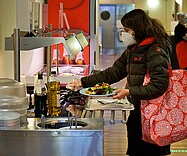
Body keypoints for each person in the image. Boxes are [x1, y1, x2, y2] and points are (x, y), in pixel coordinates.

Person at [68, 9, 172, 156]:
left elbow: (159, 86)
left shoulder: (155, 50)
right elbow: (114, 72)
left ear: (137, 29)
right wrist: (82, 82)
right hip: (138, 111)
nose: (124, 34)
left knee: (151, 152)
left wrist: (129, 91)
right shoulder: (133, 49)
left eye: (126, 30)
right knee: (136, 150)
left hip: (154, 115)